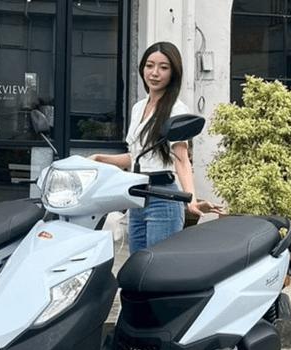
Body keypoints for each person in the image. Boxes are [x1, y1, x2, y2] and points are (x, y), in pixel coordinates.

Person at [89, 41, 222, 253]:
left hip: (163, 199)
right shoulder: (138, 107)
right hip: (137, 197)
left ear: (173, 73)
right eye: (150, 66)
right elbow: (137, 157)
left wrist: (191, 199)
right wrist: (99, 158)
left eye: (163, 67)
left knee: (157, 266)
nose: (155, 73)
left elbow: (182, 159)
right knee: (137, 265)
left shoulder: (176, 110)